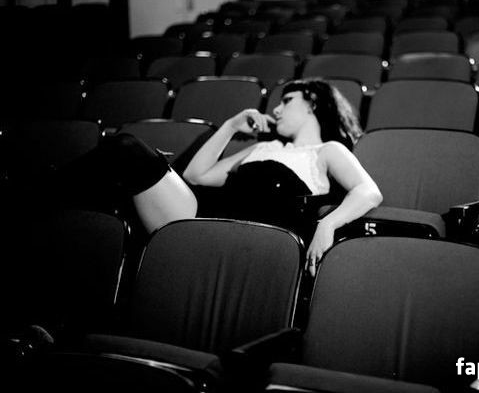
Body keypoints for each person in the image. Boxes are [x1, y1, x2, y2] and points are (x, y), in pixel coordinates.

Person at [62, 78, 382, 277]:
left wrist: (328, 224)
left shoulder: (327, 151)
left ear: (313, 104)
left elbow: (368, 191)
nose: (277, 110)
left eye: (287, 101)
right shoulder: (263, 147)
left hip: (244, 244)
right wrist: (230, 126)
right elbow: (196, 176)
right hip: (201, 220)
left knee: (127, 149)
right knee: (121, 155)